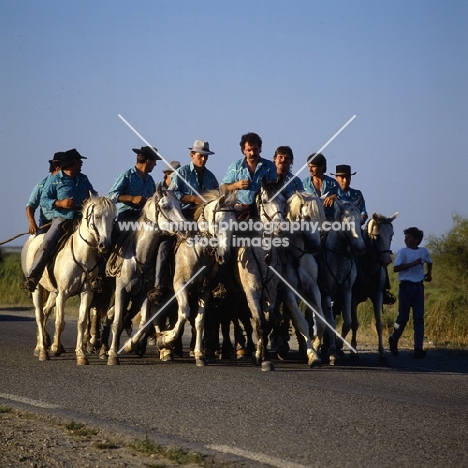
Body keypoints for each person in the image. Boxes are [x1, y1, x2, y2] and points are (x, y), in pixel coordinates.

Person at [22, 149, 97, 293]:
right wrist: (60, 203)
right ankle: (33, 277)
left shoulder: (83, 179)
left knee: (101, 242)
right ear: (72, 163)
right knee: (47, 244)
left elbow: (93, 193)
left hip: (81, 220)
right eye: (79, 161)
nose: (81, 163)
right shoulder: (54, 180)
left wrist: (91, 199)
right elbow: (44, 200)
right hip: (62, 219)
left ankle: (97, 279)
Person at [388, 227, 433, 359]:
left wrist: (429, 274)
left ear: (416, 240)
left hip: (418, 287)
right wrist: (412, 264)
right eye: (405, 237)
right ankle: (394, 338)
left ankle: (418, 348)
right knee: (403, 317)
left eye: (409, 237)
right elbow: (396, 268)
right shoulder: (403, 252)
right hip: (406, 287)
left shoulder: (423, 251)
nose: (406, 240)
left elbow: (430, 262)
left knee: (418, 317)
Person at [221, 132, 277, 216]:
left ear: (260, 149)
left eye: (255, 149)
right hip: (239, 211)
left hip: (262, 211)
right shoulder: (235, 166)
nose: (252, 153)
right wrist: (236, 185)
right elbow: (222, 188)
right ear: (243, 151)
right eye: (249, 150)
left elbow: (274, 190)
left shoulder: (269, 166)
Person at [108, 146, 160, 224]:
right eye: (154, 161)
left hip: (146, 218)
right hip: (127, 217)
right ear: (148, 160)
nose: (155, 164)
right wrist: (132, 198)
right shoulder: (126, 175)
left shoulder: (150, 180)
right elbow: (111, 195)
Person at [168, 140, 219, 220]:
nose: (203, 159)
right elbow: (171, 194)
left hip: (205, 216)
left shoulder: (211, 177)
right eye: (200, 156)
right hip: (182, 215)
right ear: (192, 155)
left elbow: (217, 195)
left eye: (206, 157)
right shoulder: (181, 172)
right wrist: (193, 199)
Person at [26, 155, 62, 234]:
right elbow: (30, 205)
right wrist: (32, 222)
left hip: (67, 221)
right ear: (57, 167)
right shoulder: (42, 184)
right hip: (47, 223)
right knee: (42, 244)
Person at [302, 153, 338, 220]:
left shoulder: (333, 183)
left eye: (313, 166)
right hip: (310, 221)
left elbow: (343, 198)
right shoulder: (304, 184)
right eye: (309, 166)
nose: (310, 169)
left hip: (330, 221)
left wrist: (335, 197)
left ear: (321, 167)